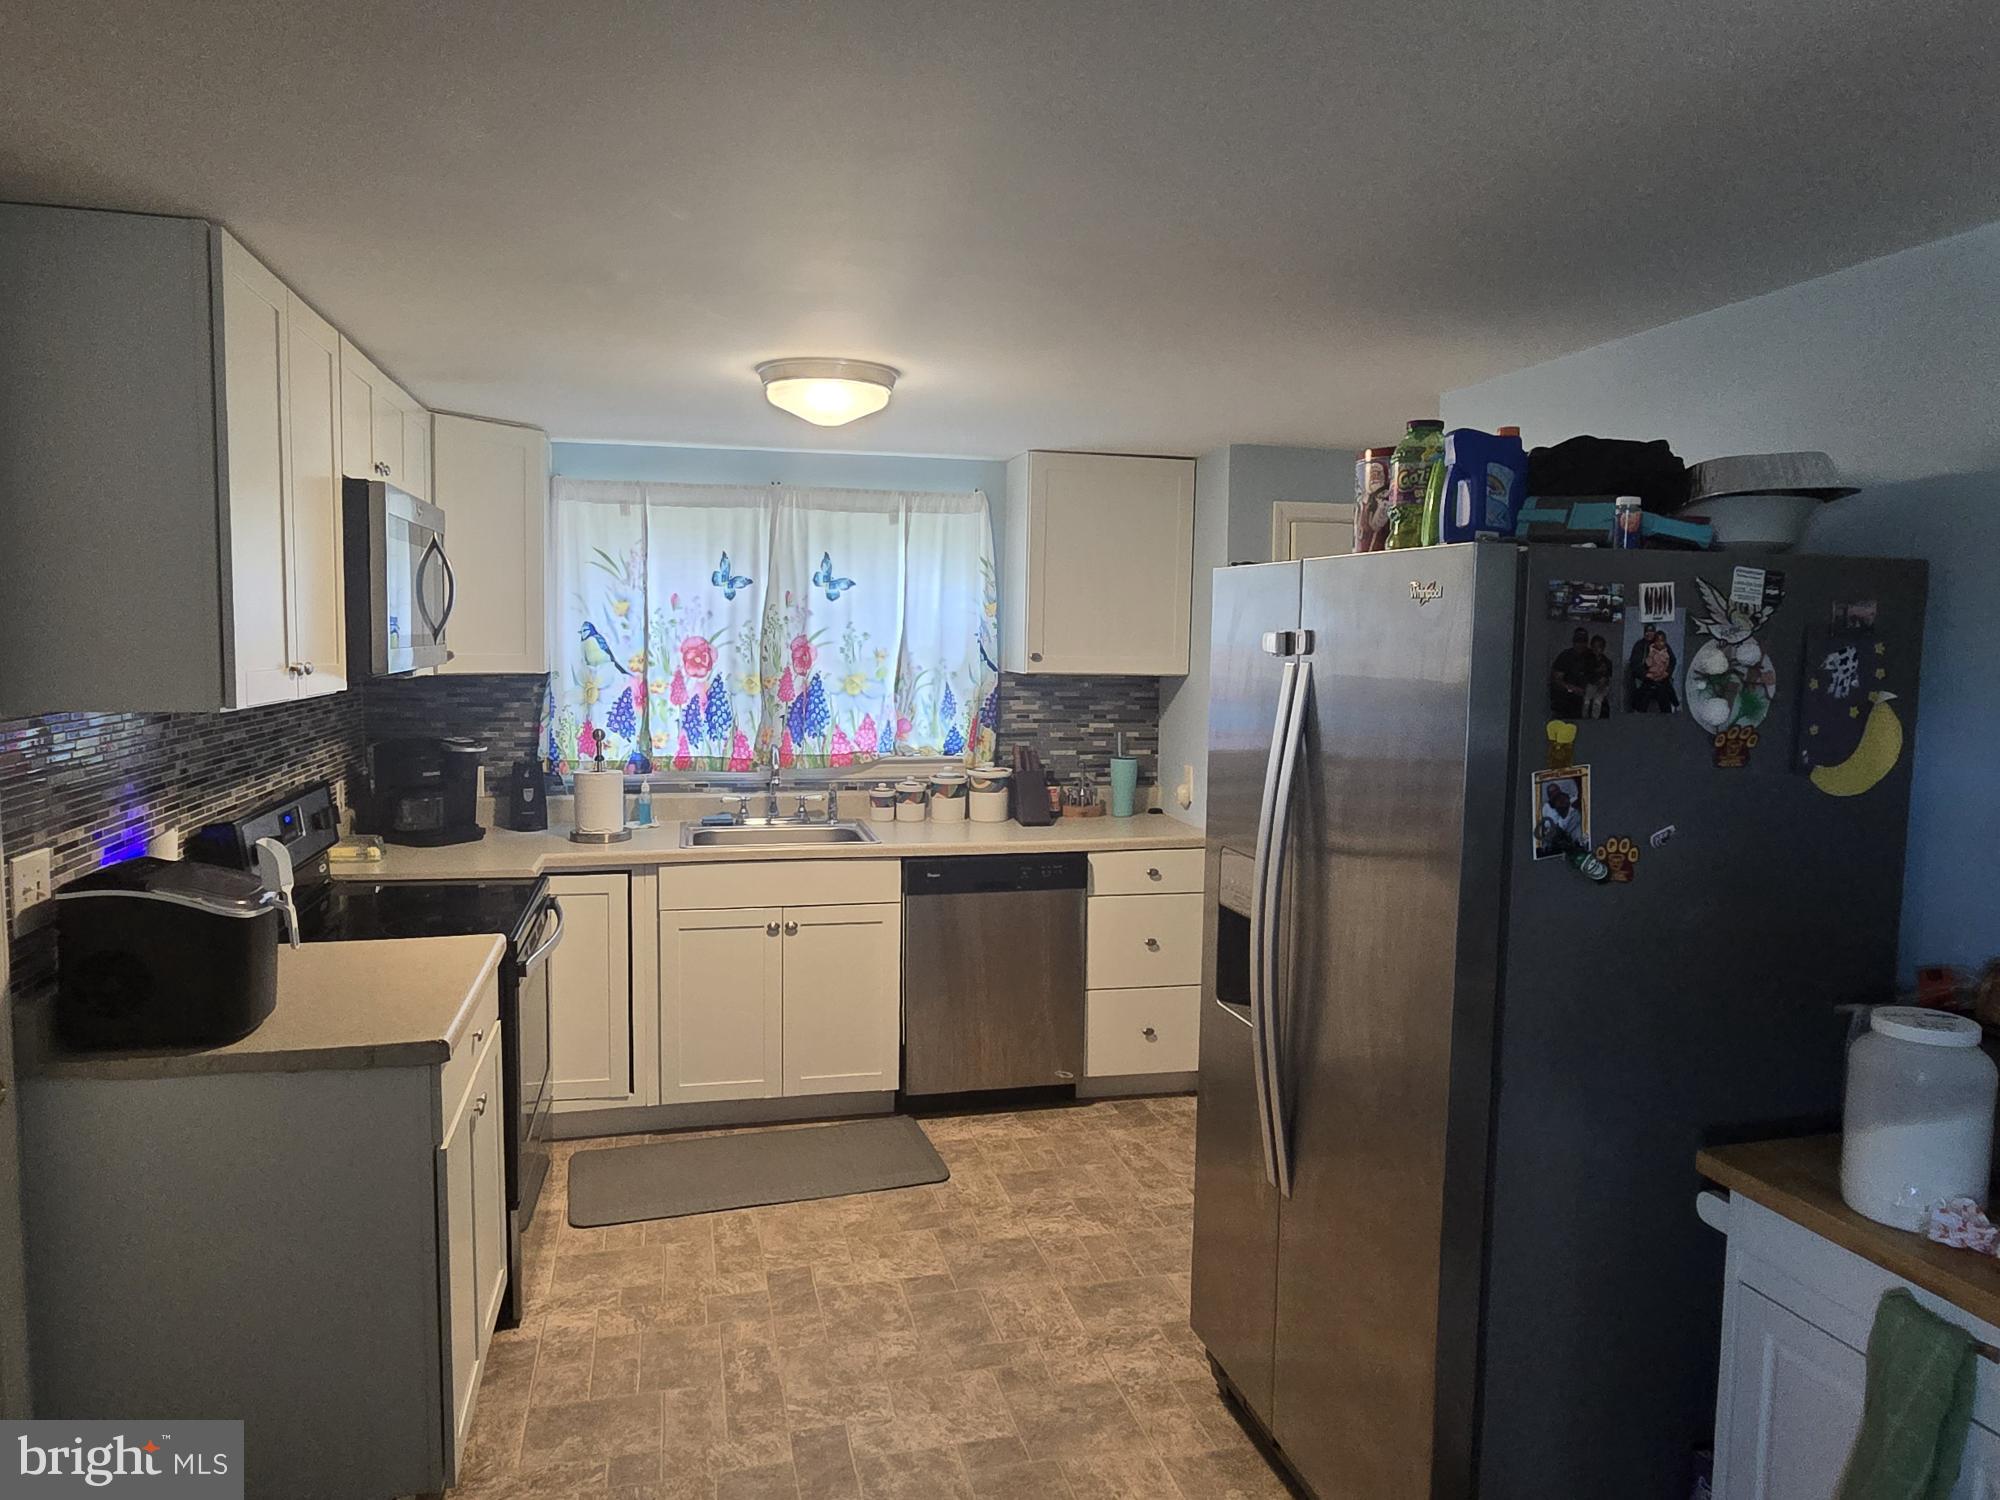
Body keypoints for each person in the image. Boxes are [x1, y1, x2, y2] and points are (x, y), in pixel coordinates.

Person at [1628, 624, 1681, 713]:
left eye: (1652, 631)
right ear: (1644, 633)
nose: (1649, 634)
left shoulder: (1664, 645)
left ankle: (1671, 711)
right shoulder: (1639, 645)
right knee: (1643, 696)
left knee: (1664, 692)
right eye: (1647, 631)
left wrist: (1667, 672)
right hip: (1646, 678)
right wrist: (1645, 674)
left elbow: (1673, 661)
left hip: (1662, 677)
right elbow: (1634, 664)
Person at [1549, 627, 1593, 717]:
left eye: (1583, 641)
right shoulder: (1565, 656)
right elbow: (1556, 680)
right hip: (1566, 700)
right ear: (1574, 642)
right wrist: (1572, 689)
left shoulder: (1592, 656)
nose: (1581, 645)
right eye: (1578, 641)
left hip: (1587, 699)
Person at [1580, 634, 1614, 719]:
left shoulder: (1607, 662)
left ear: (1603, 648)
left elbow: (1608, 677)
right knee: (1586, 702)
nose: (1596, 649)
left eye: (1599, 647)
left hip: (1602, 687)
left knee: (1597, 702)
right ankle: (1584, 719)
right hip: (1591, 684)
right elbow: (1585, 673)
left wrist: (1604, 680)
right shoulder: (1586, 659)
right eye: (1594, 647)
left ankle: (1594, 721)